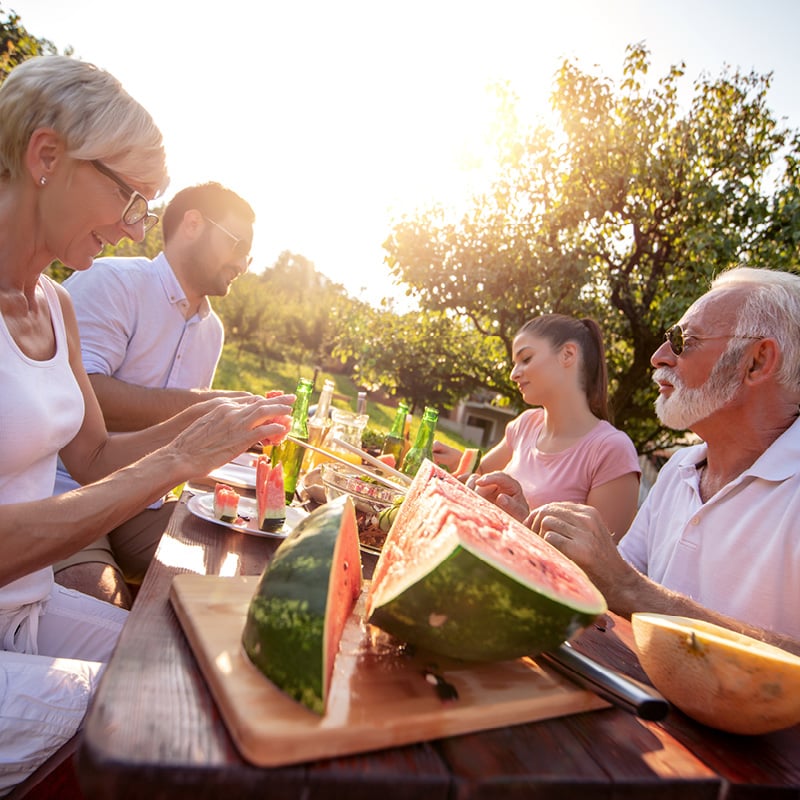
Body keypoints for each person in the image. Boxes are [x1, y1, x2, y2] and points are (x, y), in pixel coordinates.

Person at [0, 55, 293, 794]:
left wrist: (209, 439)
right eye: (130, 199)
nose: (136, 230)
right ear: (46, 157)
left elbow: (95, 454)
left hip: (25, 605)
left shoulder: (58, 307)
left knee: (199, 671)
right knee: (165, 720)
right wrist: (178, 451)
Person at [527, 267, 800, 655]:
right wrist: (523, 529)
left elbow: (628, 587)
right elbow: (611, 584)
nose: (658, 357)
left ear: (756, 362)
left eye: (682, 340)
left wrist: (630, 589)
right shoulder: (680, 468)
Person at [52, 182, 257, 607]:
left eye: (248, 255)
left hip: (141, 505)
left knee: (237, 580)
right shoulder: (114, 281)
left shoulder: (211, 331)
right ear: (194, 224)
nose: (242, 263)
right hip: (64, 493)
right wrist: (206, 405)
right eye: (237, 244)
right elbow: (78, 390)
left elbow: (181, 439)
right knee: (103, 606)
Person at [433, 314, 641, 538]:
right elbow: (482, 473)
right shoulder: (526, 424)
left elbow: (599, 564)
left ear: (567, 354)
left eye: (526, 358)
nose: (514, 374)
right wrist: (456, 459)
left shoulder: (612, 450)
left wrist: (523, 521)